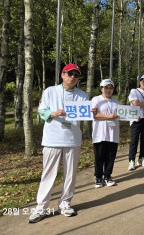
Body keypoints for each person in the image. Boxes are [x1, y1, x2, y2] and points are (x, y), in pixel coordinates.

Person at [30, 64, 96, 223]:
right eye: (69, 74)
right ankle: (41, 208)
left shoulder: (82, 95)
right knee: (49, 173)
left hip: (72, 139)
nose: (72, 77)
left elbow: (85, 114)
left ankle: (65, 203)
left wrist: (91, 112)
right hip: (52, 139)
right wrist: (53, 113)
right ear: (62, 74)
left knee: (70, 174)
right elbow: (42, 110)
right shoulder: (50, 91)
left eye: (76, 75)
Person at [90, 79, 120, 188]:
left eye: (111, 88)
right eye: (106, 87)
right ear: (101, 88)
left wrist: (134, 117)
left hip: (113, 133)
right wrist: (109, 117)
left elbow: (122, 115)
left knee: (110, 156)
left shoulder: (116, 102)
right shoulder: (96, 99)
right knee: (99, 156)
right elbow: (94, 115)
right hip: (100, 133)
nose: (108, 90)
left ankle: (108, 176)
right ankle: (98, 177)